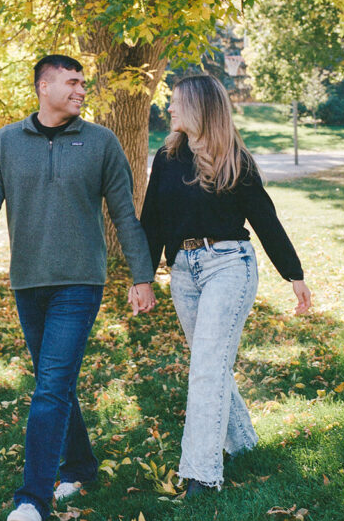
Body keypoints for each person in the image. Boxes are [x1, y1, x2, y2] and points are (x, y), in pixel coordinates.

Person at [0, 54, 156, 521]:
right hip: (28, 282)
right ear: (43, 87)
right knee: (57, 382)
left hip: (80, 281)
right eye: (72, 82)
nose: (81, 90)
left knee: (48, 386)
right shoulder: (5, 142)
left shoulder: (101, 143)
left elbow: (124, 214)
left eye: (83, 83)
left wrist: (141, 274)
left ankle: (32, 500)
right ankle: (80, 467)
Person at [133, 73, 311, 496]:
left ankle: (201, 474)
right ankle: (245, 445)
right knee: (211, 366)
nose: (170, 108)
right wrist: (142, 278)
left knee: (206, 369)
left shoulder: (236, 160)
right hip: (183, 273)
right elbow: (151, 223)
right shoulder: (166, 158)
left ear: (198, 107)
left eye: (176, 102)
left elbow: (266, 220)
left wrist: (294, 274)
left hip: (228, 266)